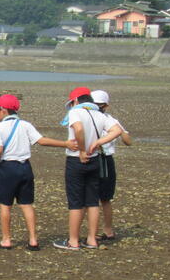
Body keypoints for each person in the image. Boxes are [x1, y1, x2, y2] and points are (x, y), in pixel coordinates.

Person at [0, 95, 74, 250]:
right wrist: (65, 144)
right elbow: (41, 141)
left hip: (8, 167)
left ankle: (6, 240)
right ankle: (33, 240)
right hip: (25, 167)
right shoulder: (25, 125)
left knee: (5, 205)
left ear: (3, 110)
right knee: (27, 204)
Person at [53, 87, 123, 251]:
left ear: (76, 101)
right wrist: (98, 142)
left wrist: (82, 150)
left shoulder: (76, 112)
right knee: (92, 201)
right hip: (95, 159)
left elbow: (78, 129)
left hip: (76, 159)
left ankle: (73, 241)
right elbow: (117, 130)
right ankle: (92, 239)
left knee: (76, 202)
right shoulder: (99, 114)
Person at [91, 90, 132, 242]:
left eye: (98, 105)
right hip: (94, 158)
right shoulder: (92, 118)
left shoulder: (109, 120)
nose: (96, 107)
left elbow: (128, 141)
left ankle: (105, 230)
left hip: (103, 159)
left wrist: (120, 131)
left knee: (103, 198)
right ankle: (96, 232)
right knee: (94, 198)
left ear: (105, 106)